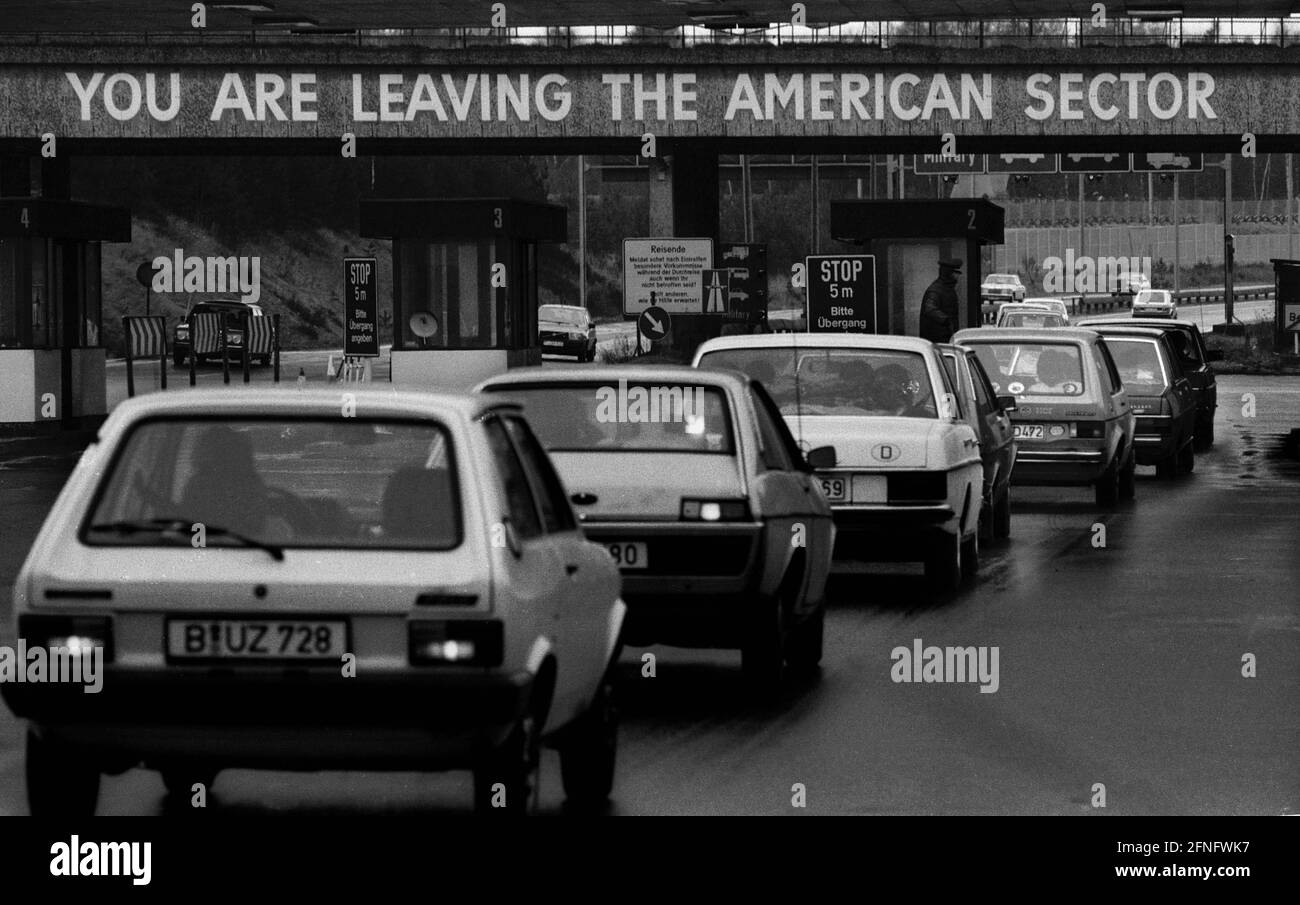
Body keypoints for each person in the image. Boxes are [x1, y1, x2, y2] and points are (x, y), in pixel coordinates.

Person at [919, 259, 962, 343]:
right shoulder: (936, 290)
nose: (958, 276)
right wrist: (946, 320)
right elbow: (929, 308)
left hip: (944, 336)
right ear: (949, 273)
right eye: (956, 273)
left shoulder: (947, 288)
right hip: (937, 337)